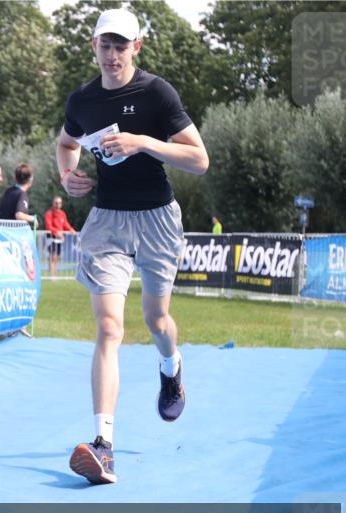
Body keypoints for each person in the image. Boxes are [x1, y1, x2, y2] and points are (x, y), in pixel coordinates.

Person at [56, 7, 209, 484]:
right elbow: (66, 142)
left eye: (122, 44)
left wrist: (144, 141)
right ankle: (103, 445)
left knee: (156, 320)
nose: (113, 53)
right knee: (108, 327)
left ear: (136, 48)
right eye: (106, 44)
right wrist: (67, 173)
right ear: (95, 47)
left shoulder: (156, 92)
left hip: (158, 220)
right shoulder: (82, 100)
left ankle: (171, 365)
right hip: (106, 222)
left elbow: (199, 159)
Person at [44, 196, 76, 277]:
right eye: (56, 203)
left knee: (57, 257)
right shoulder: (49, 213)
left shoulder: (62, 214)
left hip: (60, 238)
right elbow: (48, 226)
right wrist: (56, 232)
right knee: (53, 256)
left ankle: (54, 274)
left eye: (59, 203)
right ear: (53, 203)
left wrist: (71, 229)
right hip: (51, 237)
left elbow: (65, 224)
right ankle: (52, 276)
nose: (58, 205)